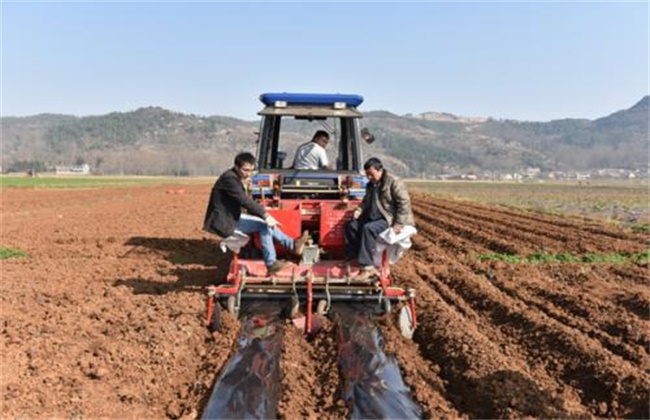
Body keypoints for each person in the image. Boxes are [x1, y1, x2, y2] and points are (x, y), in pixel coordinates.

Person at [203, 152, 310, 274]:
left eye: (251, 171)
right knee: (264, 225)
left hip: (232, 217)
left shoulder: (235, 177)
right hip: (224, 221)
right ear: (236, 167)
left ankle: (292, 245)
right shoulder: (229, 179)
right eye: (245, 170)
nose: (248, 174)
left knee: (264, 224)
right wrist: (265, 215)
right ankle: (272, 262)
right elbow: (244, 200)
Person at [345, 157, 415, 281]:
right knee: (351, 225)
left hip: (388, 218)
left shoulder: (393, 182)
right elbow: (366, 201)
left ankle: (367, 267)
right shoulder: (371, 184)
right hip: (373, 217)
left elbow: (403, 203)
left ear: (380, 170)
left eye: (371, 174)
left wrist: (398, 223)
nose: (369, 178)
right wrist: (359, 210)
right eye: (367, 175)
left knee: (368, 229)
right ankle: (355, 258)